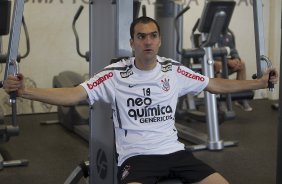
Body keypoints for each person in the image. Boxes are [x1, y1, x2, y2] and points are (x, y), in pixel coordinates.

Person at [3, 16, 278, 184]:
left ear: (159, 41)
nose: (148, 41)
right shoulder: (115, 74)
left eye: (153, 36)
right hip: (137, 158)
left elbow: (214, 84)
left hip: (175, 152)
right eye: (141, 36)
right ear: (133, 42)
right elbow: (74, 94)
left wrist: (259, 82)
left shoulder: (174, 70)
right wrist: (25, 91)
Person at [214, 32, 253, 112]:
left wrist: (236, 59)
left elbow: (233, 50)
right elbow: (210, 53)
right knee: (219, 65)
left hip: (226, 62)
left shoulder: (228, 35)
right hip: (212, 63)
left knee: (241, 64)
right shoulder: (207, 37)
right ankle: (221, 101)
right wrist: (227, 61)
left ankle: (240, 98)